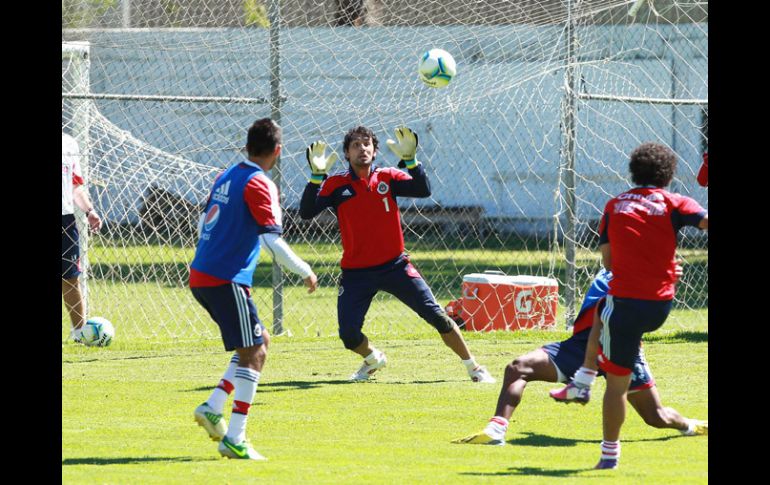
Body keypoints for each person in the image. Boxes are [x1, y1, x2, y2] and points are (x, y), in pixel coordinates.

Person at [548, 142, 708, 469]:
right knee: (608, 317)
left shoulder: (615, 204)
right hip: (661, 306)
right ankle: (584, 379)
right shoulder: (676, 202)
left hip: (626, 305)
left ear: (633, 172)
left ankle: (598, 424)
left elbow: (608, 263)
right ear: (668, 174)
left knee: (615, 377)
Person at [299, 126, 494, 383]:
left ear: (375, 150)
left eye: (367, 144)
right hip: (356, 273)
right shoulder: (336, 184)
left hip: (396, 267)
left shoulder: (388, 177)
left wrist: (412, 162)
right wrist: (315, 178)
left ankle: (475, 368)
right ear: (346, 153)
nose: (362, 148)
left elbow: (423, 190)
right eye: (356, 145)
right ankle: (372, 358)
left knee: (437, 316)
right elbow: (306, 212)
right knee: (348, 335)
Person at [451, 267, 708, 447]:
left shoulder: (643, 274)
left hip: (621, 347)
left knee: (656, 417)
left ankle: (692, 425)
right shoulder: (610, 266)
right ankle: (496, 430)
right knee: (519, 367)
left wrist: (665, 279)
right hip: (580, 345)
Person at [190, 118, 319, 461]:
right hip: (225, 278)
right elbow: (271, 241)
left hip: (204, 274)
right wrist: (304, 269)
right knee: (256, 354)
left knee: (258, 342)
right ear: (277, 151)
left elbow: (203, 222)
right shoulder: (260, 183)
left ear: (247, 147)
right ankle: (235, 438)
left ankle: (214, 406)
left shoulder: (227, 175)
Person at [62, 132, 103, 343]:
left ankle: (80, 334)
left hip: (65, 220)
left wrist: (89, 211)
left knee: (70, 277)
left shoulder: (69, 143)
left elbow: (75, 185)